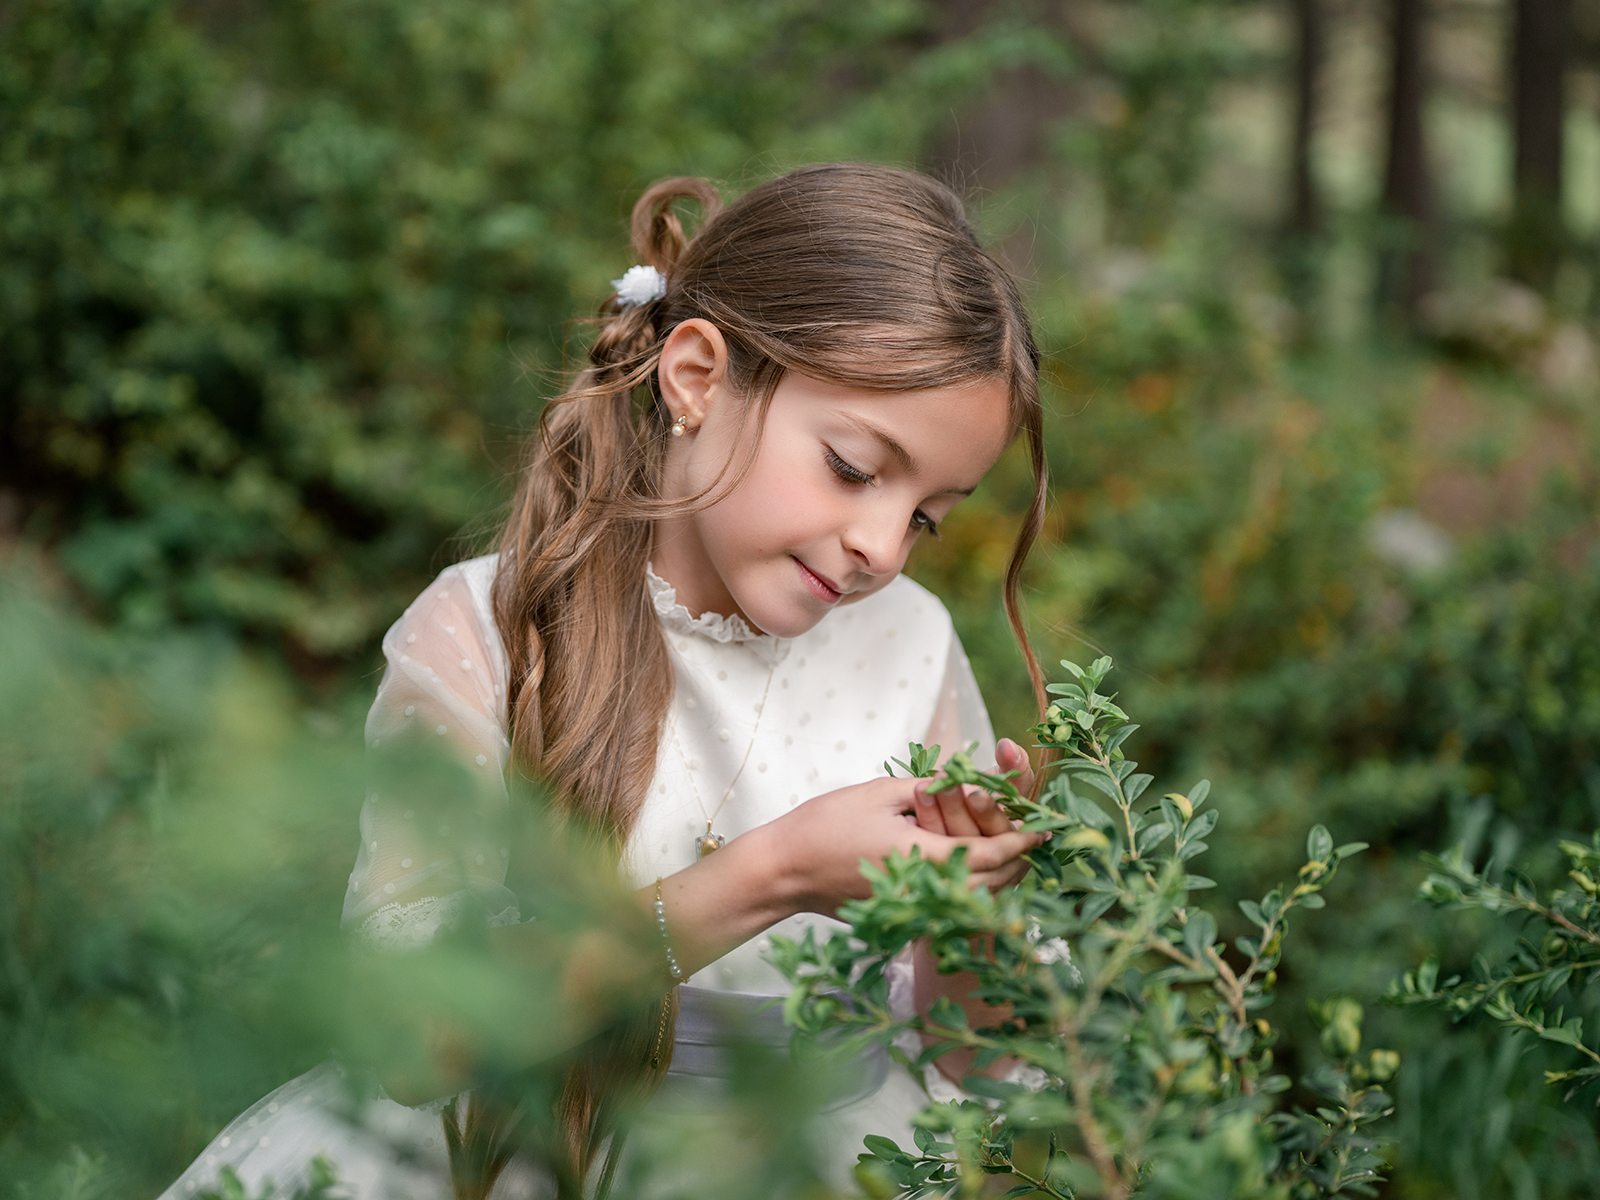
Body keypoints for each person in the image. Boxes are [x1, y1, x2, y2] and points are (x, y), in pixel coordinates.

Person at [160, 163, 1052, 1200]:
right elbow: (412, 1037)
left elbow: (982, 1066)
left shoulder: (910, 641)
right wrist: (773, 874)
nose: (881, 548)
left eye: (926, 515)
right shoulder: (486, 634)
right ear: (696, 378)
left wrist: (966, 918)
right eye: (853, 467)